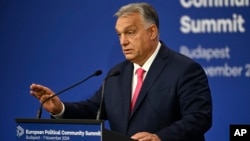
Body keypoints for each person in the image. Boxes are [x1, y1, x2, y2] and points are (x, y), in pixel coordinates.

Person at [30, 2, 212, 141]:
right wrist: (59, 108)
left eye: (130, 32)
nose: (123, 41)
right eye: (119, 34)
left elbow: (199, 118)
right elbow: (94, 109)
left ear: (152, 32)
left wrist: (160, 137)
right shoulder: (116, 74)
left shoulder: (184, 69)